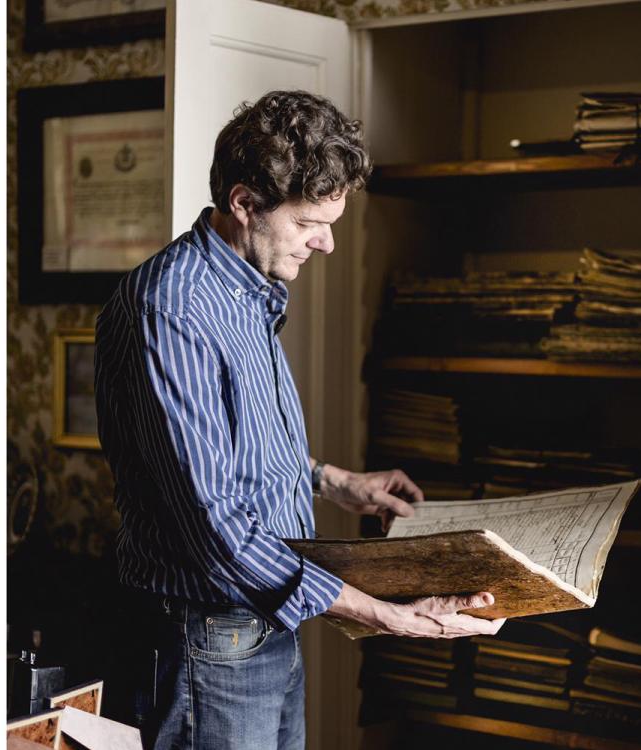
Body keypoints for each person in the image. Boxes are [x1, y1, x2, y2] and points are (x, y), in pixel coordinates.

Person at [94, 90, 504, 750]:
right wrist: (379, 614)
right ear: (245, 204)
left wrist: (335, 482)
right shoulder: (171, 308)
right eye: (312, 221)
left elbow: (229, 450)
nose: (329, 243)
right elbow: (212, 519)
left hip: (268, 622)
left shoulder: (247, 289)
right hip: (212, 641)